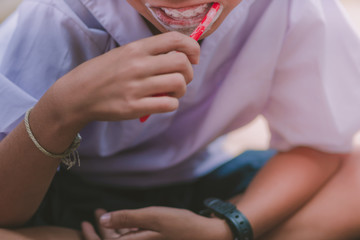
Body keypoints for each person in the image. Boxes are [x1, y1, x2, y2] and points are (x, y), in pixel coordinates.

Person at [0, 0, 360, 239]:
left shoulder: (291, 9)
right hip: (57, 190)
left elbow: (317, 144)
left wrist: (226, 228)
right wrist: (62, 108)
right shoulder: (58, 14)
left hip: (200, 189)